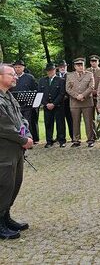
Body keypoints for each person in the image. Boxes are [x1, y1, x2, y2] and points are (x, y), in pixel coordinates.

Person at [0, 63, 32, 239]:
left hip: (16, 150)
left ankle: (6, 217)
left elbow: (21, 120)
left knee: (14, 184)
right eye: (11, 74)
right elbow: (5, 128)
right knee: (3, 186)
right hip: (4, 152)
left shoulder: (9, 96)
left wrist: (26, 133)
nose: (16, 77)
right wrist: (24, 140)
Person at [66, 58, 95, 147]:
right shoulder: (70, 75)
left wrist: (83, 95)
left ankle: (90, 140)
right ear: (75, 66)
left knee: (89, 122)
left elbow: (91, 86)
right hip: (75, 103)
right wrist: (77, 96)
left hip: (87, 102)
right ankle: (76, 140)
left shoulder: (89, 74)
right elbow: (68, 89)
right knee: (75, 122)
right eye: (78, 65)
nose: (80, 67)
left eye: (81, 65)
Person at [38, 62, 67, 148]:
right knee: (48, 123)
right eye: (48, 70)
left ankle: (62, 140)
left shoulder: (61, 80)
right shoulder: (42, 80)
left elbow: (62, 94)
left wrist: (54, 103)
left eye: (52, 70)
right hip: (47, 106)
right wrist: (46, 104)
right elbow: (40, 93)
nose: (50, 72)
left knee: (60, 123)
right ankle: (49, 141)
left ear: (55, 70)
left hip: (58, 105)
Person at [10, 60, 38, 144]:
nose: (17, 69)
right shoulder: (12, 77)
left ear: (23, 68)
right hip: (14, 105)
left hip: (27, 105)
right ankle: (20, 139)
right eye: (16, 67)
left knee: (27, 121)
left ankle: (29, 139)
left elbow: (35, 89)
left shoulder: (29, 77)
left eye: (19, 67)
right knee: (16, 122)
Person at [57, 60, 73, 141]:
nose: (62, 68)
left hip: (69, 101)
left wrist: (67, 95)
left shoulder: (71, 75)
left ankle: (73, 136)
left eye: (64, 66)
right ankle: (60, 137)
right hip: (58, 102)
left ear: (66, 67)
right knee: (60, 121)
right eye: (61, 67)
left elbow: (73, 87)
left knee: (70, 119)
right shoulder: (55, 76)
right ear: (58, 68)